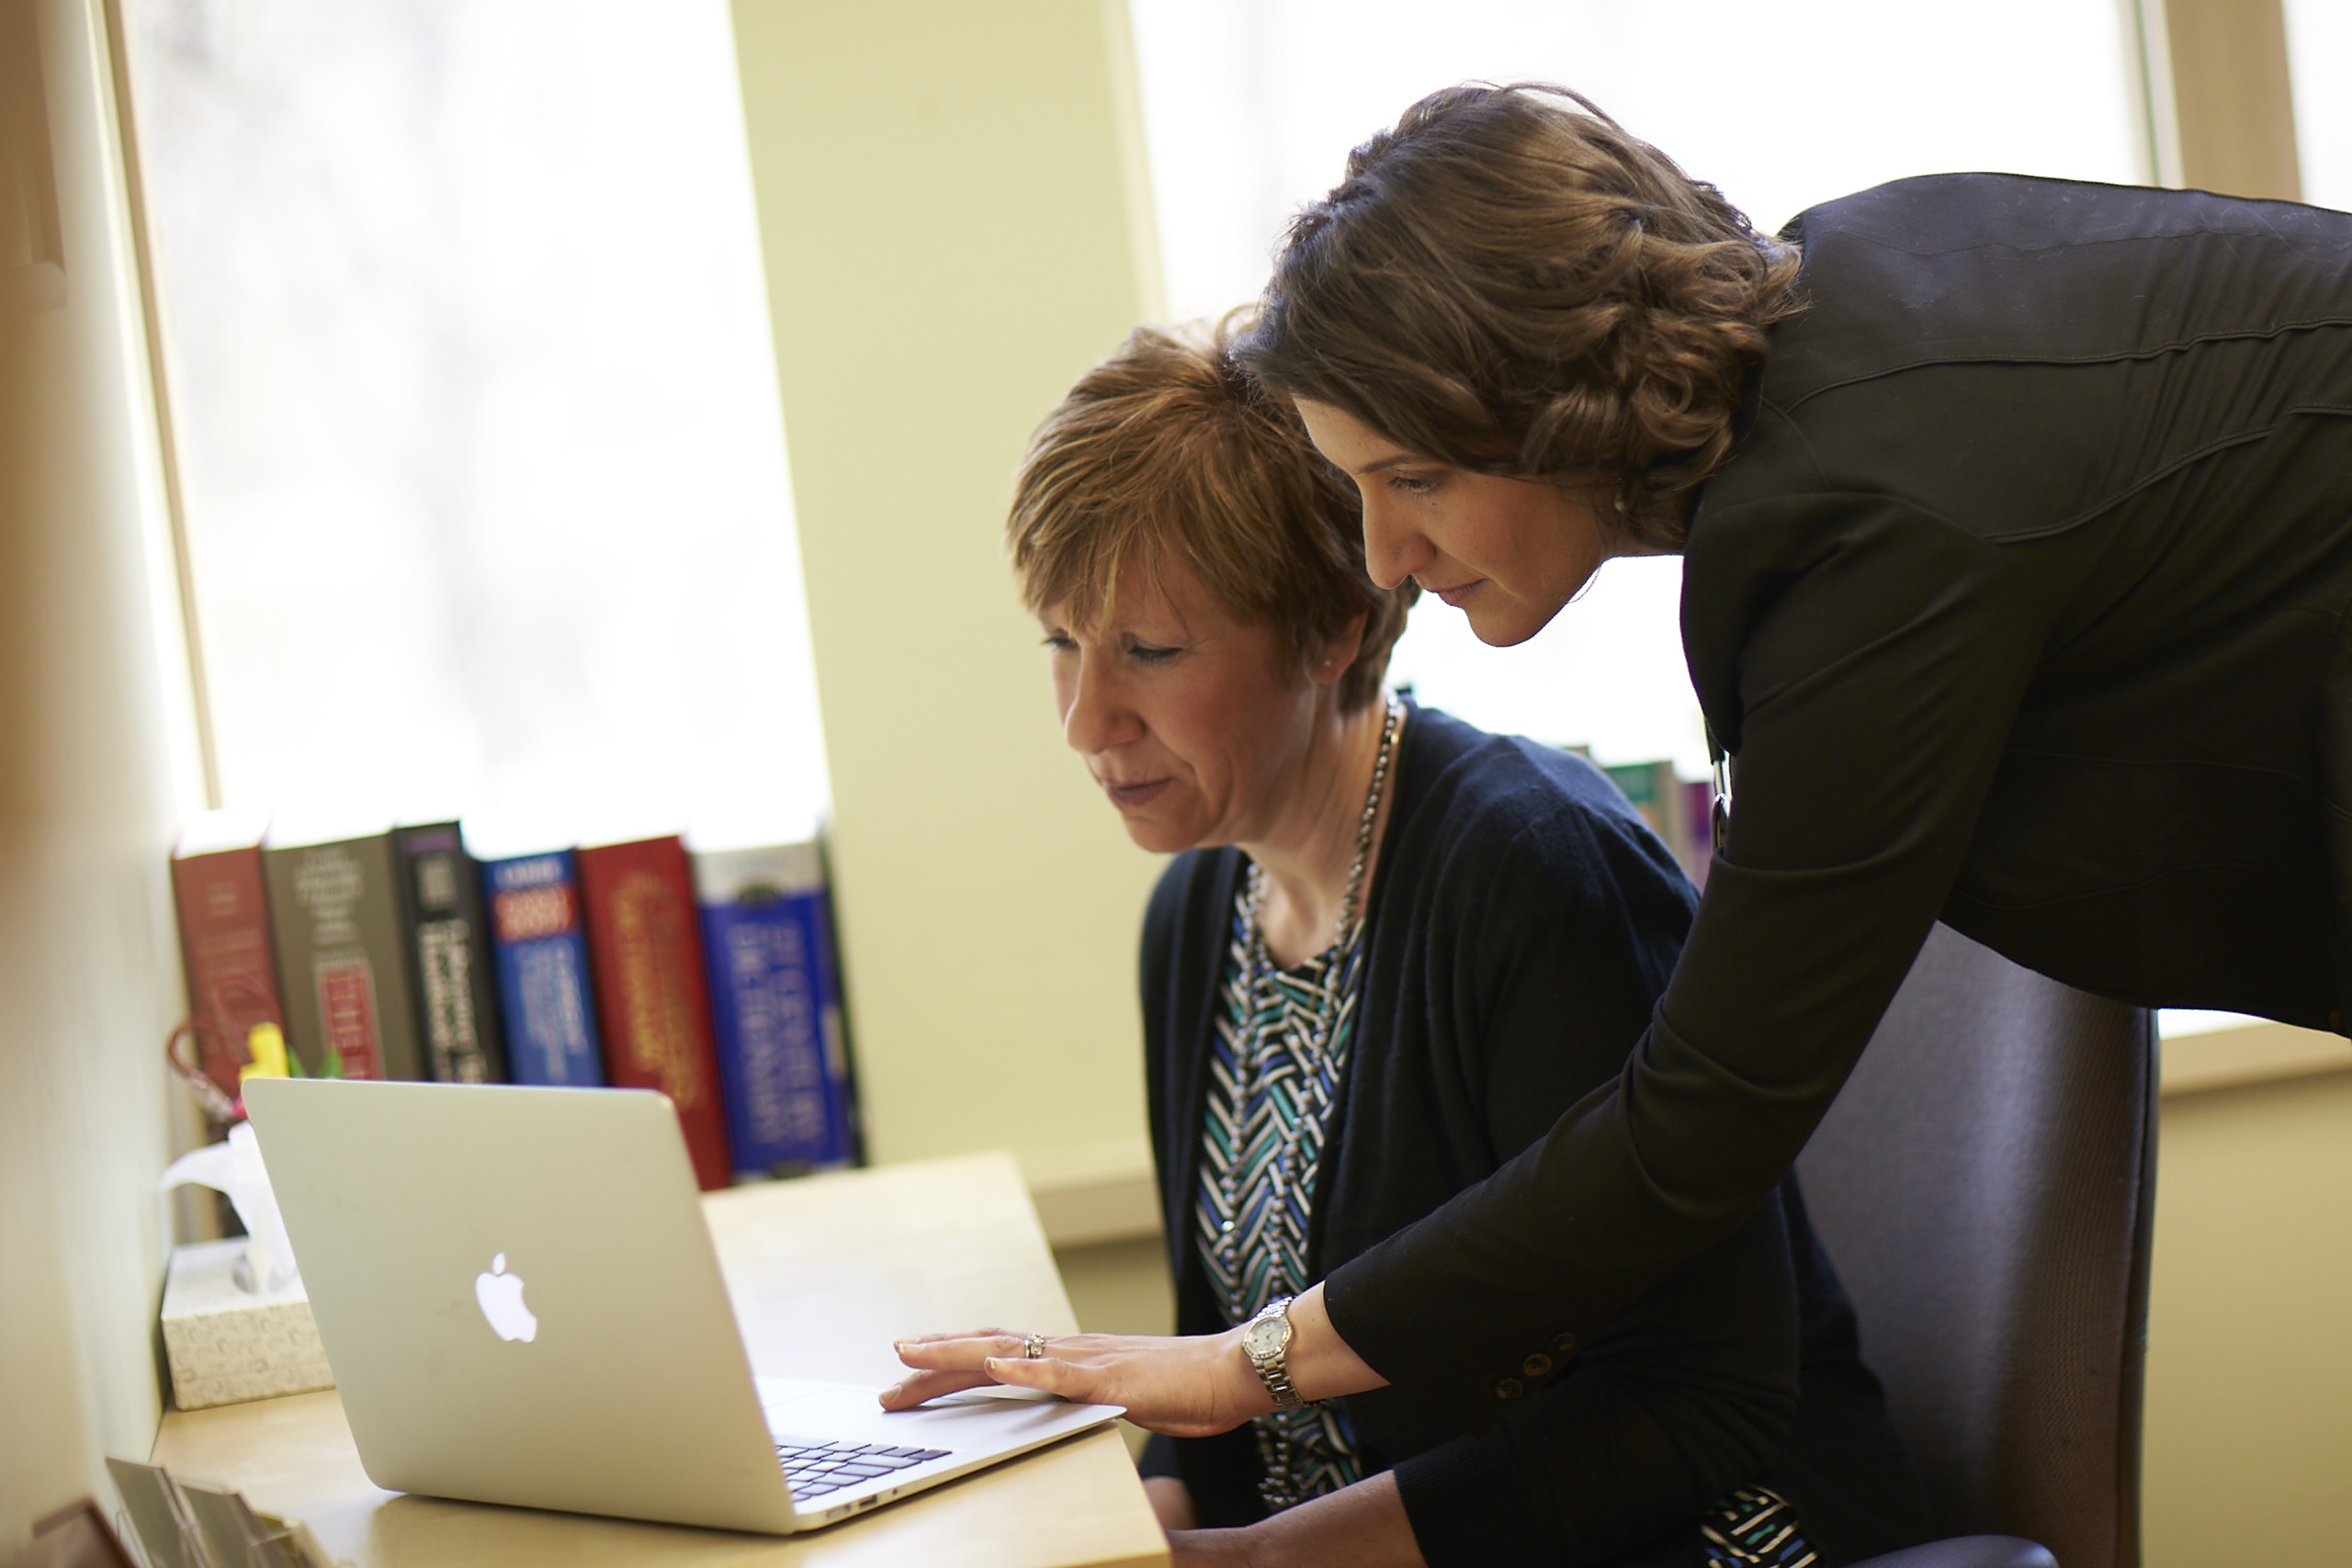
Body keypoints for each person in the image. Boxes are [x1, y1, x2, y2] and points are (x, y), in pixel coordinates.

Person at [894, 84, 2352, 1450]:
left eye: (1412, 479)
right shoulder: (1852, 337)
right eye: (1356, 488)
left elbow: (1699, 1123)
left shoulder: (1868, 525)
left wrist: (1246, 1364)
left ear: (1549, 397)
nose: (1383, 554)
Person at [886, 322, 1930, 1566]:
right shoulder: (1197, 919)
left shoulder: (1534, 872)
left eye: (1151, 652)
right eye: (1062, 642)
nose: (1083, 720)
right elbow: (1219, 1430)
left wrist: (1271, 1559)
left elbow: (1697, 1403)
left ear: (1333, 625)